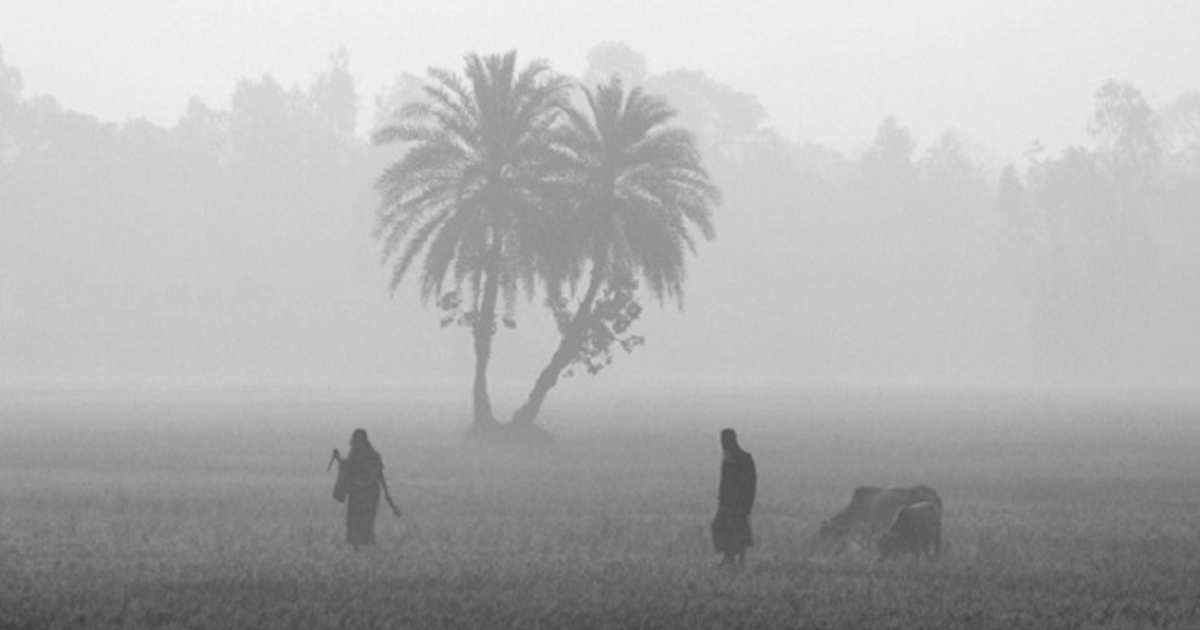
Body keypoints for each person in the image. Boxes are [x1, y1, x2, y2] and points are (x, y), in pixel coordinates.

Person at [332, 428, 400, 549]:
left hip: (367, 495)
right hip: (360, 494)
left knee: (365, 522)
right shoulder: (360, 457)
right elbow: (346, 467)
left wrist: (390, 500)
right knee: (354, 522)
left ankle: (364, 546)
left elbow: (379, 476)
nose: (355, 444)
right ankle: (357, 546)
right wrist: (338, 458)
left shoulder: (371, 456)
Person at [711, 428, 756, 566]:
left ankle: (736, 559)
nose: (722, 443)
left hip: (738, 502)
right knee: (724, 527)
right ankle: (729, 557)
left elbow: (750, 483)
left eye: (724, 440)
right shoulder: (729, 457)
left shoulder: (743, 458)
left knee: (737, 529)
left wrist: (747, 503)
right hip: (727, 501)